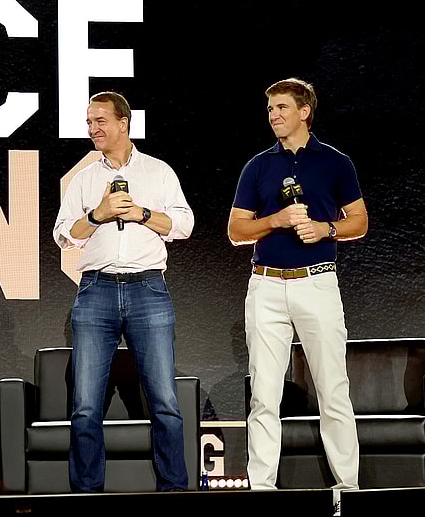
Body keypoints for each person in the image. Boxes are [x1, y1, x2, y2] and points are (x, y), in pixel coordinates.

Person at [228, 78, 367, 514]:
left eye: (282, 107)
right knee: (264, 394)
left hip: (317, 282)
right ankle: (262, 490)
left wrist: (326, 229)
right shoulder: (257, 166)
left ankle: (348, 490)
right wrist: (277, 220)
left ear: (305, 112)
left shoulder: (336, 163)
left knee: (333, 389)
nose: (274, 115)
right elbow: (236, 230)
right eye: (270, 109)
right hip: (266, 285)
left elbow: (359, 221)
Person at [53, 91, 194, 492]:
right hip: (96, 289)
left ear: (123, 123)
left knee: (164, 401)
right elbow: (64, 235)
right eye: (89, 122)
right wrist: (98, 215)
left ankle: (173, 490)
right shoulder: (85, 179)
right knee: (85, 404)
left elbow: (184, 225)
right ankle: (86, 492)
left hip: (148, 289)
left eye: (100, 121)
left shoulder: (157, 172)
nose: (92, 129)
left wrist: (142, 214)